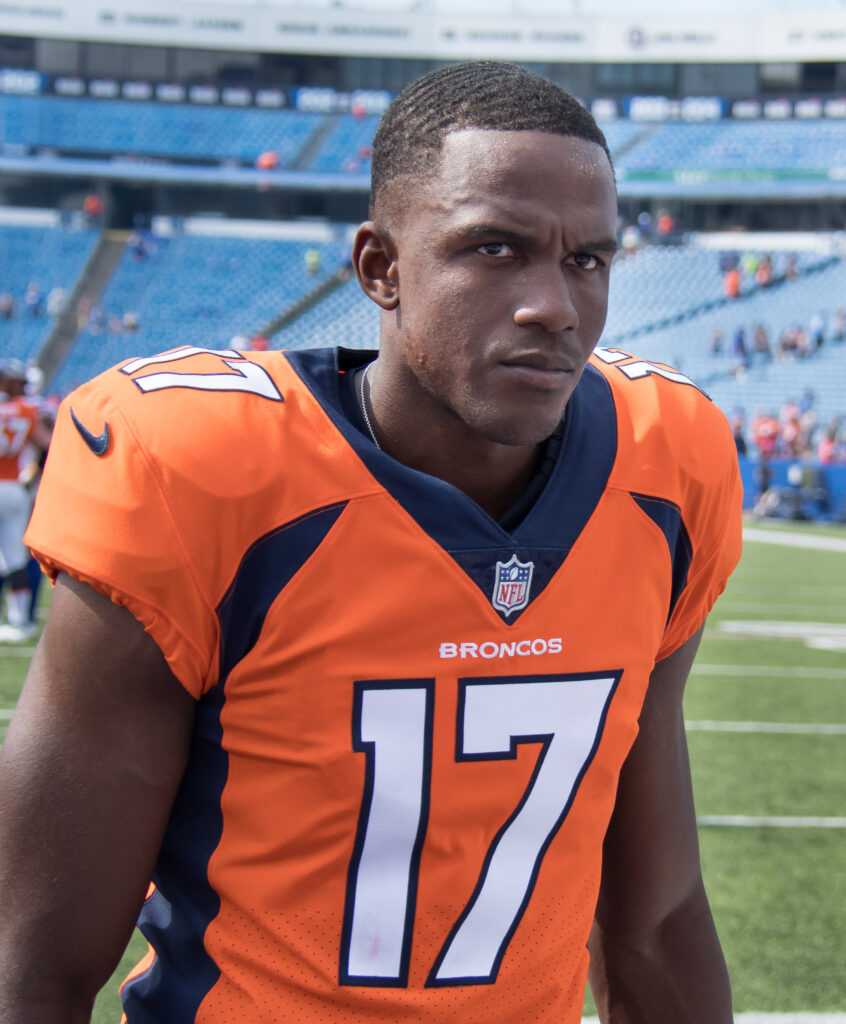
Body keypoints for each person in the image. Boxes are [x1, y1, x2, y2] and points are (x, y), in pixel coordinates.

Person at [0, 61, 742, 1023]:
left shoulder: (665, 468)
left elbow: (655, 916)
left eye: (586, 260)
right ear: (380, 268)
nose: (554, 305)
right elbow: (37, 954)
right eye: (493, 249)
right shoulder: (206, 472)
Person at [0, 360, 52, 642]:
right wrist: (34, 476)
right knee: (14, 557)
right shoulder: (26, 410)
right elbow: (48, 444)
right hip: (15, 486)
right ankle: (20, 619)